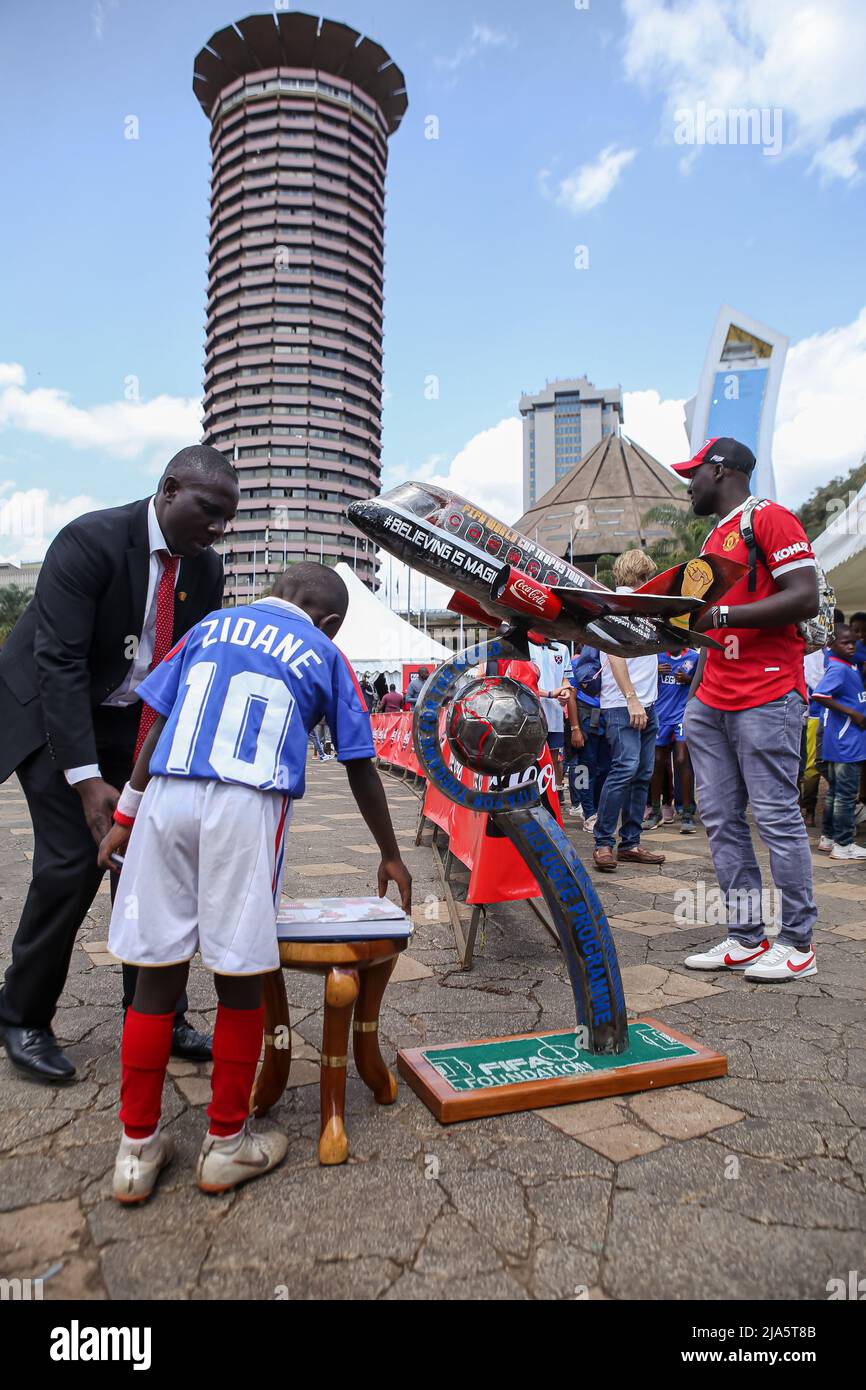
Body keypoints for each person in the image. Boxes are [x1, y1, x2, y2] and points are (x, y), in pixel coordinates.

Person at [98, 562, 412, 1204]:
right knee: (240, 975)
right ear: (326, 621)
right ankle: (226, 1142)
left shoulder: (209, 626)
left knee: (156, 972)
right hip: (246, 804)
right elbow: (360, 764)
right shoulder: (323, 651)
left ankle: (135, 1150)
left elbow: (153, 719)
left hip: (165, 796)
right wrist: (389, 853)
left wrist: (126, 814)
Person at [0, 446, 239, 1084]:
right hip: (56, 714)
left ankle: (154, 1012)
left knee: (150, 858)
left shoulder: (206, 570)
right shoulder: (91, 541)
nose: (217, 529)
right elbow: (58, 663)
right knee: (73, 862)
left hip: (131, 723)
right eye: (209, 511)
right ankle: (23, 1016)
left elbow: (187, 669)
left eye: (227, 520)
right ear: (169, 490)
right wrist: (86, 782)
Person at [675, 438, 820, 982]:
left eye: (694, 472)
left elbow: (804, 596)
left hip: (767, 693)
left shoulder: (771, 518)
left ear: (720, 470)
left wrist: (726, 615)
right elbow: (707, 621)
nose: (688, 484)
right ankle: (745, 937)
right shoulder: (714, 536)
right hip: (713, 696)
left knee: (777, 818)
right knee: (720, 821)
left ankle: (798, 943)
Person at [592, 551, 666, 874]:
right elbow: (614, 655)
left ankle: (630, 842)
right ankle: (603, 842)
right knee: (625, 768)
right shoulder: (615, 607)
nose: (652, 581)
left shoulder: (645, 607)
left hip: (647, 704)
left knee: (643, 772)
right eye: (648, 576)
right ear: (639, 576)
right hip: (624, 704)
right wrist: (632, 697)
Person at [812, 624, 866, 861]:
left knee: (836, 792)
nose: (851, 646)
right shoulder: (839, 668)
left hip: (843, 741)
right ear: (833, 645)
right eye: (845, 643)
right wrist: (852, 713)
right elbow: (820, 694)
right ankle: (844, 843)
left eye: (854, 642)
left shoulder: (850, 665)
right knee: (846, 795)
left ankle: (829, 836)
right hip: (847, 742)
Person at [643, 649, 698, 833]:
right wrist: (654, 670)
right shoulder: (656, 657)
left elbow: (704, 682)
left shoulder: (694, 657)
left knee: (682, 760)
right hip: (660, 714)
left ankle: (687, 813)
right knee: (657, 762)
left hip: (682, 715)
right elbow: (640, 678)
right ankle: (655, 811)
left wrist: (689, 680)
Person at [567, 644, 609, 829]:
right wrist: (575, 728)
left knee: (605, 768)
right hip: (585, 717)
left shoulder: (613, 659)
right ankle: (587, 811)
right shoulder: (579, 663)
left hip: (608, 716)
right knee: (583, 767)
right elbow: (571, 696)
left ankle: (598, 809)